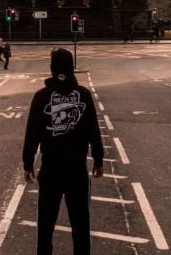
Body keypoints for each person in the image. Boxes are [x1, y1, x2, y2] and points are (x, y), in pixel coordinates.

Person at [23, 48, 104, 255]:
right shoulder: (83, 95)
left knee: (46, 225)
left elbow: (32, 133)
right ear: (72, 68)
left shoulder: (41, 97)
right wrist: (98, 159)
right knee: (80, 225)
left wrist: (28, 162)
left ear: (51, 69)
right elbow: (93, 129)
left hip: (51, 168)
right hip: (76, 169)